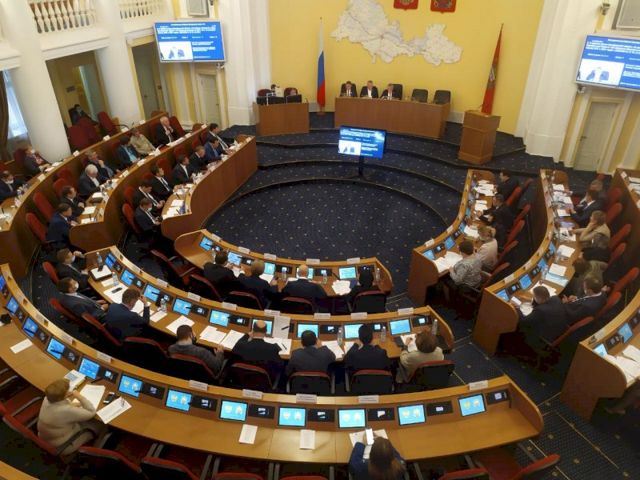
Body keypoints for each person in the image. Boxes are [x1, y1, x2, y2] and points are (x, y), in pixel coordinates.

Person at [37, 378, 104, 455]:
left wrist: (71, 405)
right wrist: (79, 396)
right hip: (63, 446)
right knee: (101, 424)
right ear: (65, 395)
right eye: (68, 390)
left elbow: (58, 408)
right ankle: (96, 450)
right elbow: (91, 412)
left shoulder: (47, 399)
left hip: (45, 437)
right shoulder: (66, 411)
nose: (70, 391)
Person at [516, 286, 569, 351]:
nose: (534, 298)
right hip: (561, 329)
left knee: (521, 327)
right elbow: (541, 302)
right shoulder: (555, 298)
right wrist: (529, 299)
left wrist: (517, 308)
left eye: (534, 297)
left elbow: (524, 321)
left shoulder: (540, 310)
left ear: (539, 298)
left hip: (548, 335)